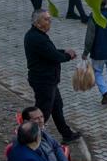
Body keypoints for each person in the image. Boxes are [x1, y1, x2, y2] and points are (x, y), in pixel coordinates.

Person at [25, 10, 80, 144]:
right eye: (46, 19)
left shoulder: (38, 35)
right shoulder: (37, 38)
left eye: (50, 19)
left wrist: (63, 51)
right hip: (43, 81)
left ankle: (66, 134)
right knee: (42, 112)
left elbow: (50, 52)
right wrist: (68, 55)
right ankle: (29, 136)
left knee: (57, 107)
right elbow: (55, 56)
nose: (49, 22)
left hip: (48, 80)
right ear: (37, 23)